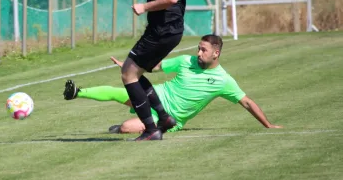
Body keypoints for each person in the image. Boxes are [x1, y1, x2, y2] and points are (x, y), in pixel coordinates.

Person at [64, 35, 282, 136]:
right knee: (116, 92)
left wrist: (268, 125)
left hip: (169, 119)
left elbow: (246, 102)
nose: (198, 53)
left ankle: (121, 127)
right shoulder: (186, 61)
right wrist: (131, 65)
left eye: (203, 50)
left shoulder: (223, 80)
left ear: (216, 53)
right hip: (155, 96)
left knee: (125, 128)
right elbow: (156, 67)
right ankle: (78, 92)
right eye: (198, 48)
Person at [121, 0, 203, 141]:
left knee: (128, 74)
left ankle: (151, 130)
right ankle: (164, 118)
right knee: (135, 72)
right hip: (175, 29)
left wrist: (144, 6)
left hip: (161, 29)